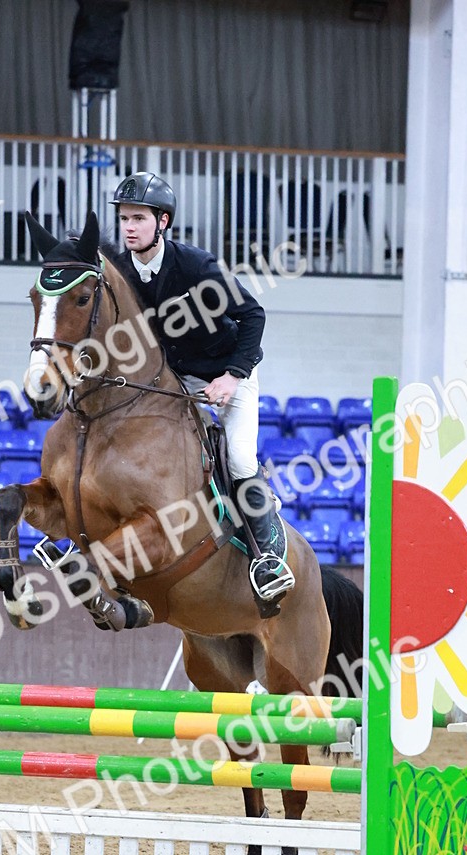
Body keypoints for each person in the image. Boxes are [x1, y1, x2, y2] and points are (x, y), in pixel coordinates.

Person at [109, 171, 293, 605]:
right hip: (171, 380)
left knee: (240, 458)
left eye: (138, 218)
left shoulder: (196, 266)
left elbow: (253, 316)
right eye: (124, 219)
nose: (129, 227)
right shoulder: (119, 271)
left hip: (226, 372)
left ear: (163, 222)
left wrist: (232, 375)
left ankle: (267, 556)